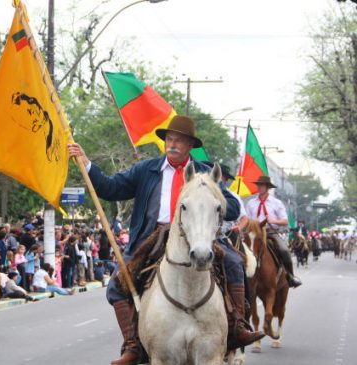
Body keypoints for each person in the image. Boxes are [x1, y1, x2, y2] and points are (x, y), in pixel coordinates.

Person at [68, 115, 263, 365]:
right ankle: (132, 345)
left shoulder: (204, 172)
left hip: (198, 234)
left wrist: (218, 196)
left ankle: (237, 326)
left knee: (235, 263)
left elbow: (234, 207)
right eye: (169, 139)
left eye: (179, 140)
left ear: (190, 145)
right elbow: (111, 188)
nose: (172, 144)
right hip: (152, 235)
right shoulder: (147, 169)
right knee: (117, 284)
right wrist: (87, 163)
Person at [245, 175, 302, 288]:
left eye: (262, 185)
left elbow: (285, 221)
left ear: (267, 187)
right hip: (255, 234)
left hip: (271, 233)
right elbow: (247, 219)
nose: (259, 187)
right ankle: (241, 279)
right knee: (241, 251)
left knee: (284, 250)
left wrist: (273, 220)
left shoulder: (276, 203)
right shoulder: (251, 203)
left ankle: (290, 276)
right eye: (258, 185)